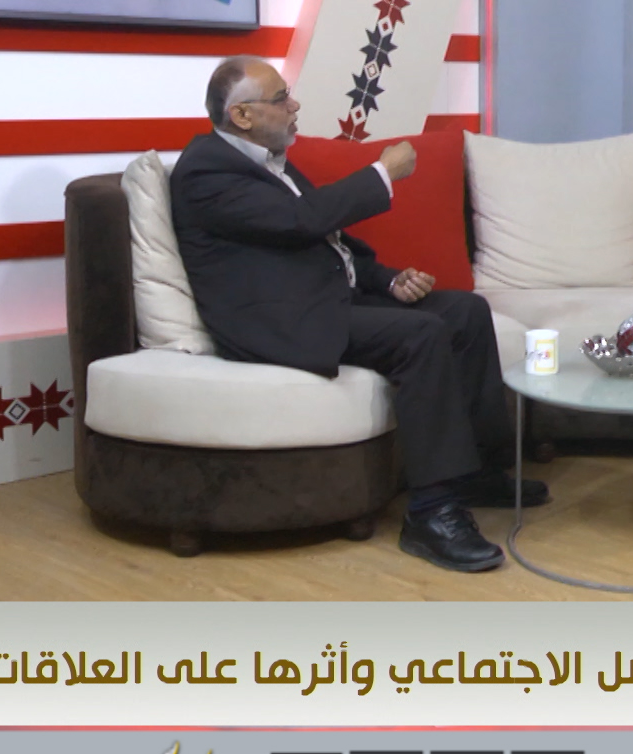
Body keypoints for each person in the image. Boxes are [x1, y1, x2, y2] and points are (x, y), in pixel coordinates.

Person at [171, 55, 545, 572]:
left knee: (465, 310)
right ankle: (432, 513)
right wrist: (382, 173)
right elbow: (302, 220)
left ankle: (477, 471)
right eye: (281, 99)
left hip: (321, 300)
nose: (294, 106)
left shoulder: (269, 162)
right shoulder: (206, 171)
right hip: (280, 322)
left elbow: (328, 243)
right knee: (420, 335)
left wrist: (388, 279)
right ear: (242, 116)